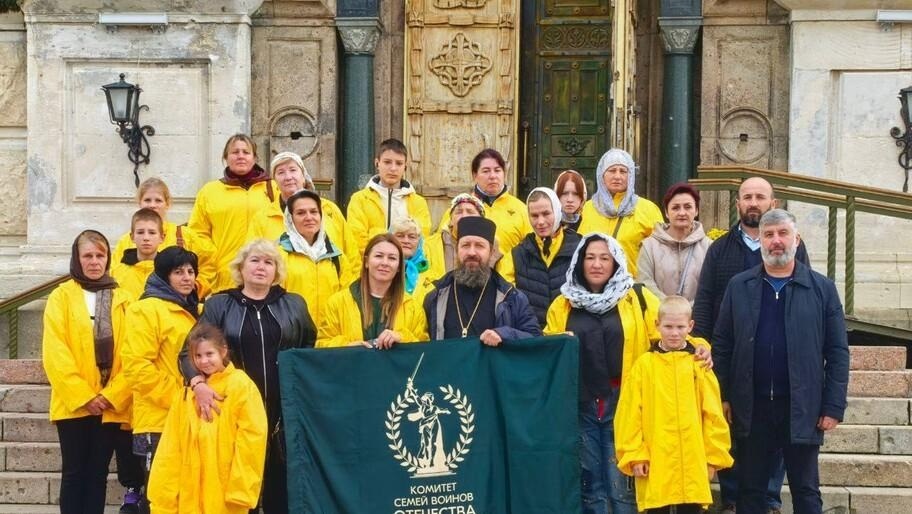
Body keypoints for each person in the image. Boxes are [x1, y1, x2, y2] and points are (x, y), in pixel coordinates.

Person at [542, 234, 713, 514]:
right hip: (581, 404)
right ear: (579, 261)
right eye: (590, 257)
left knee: (623, 487)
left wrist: (701, 347)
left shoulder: (637, 297)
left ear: (616, 262)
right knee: (590, 485)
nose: (596, 264)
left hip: (624, 402)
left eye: (604, 258)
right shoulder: (563, 304)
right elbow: (550, 348)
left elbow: (671, 331)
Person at [712, 209, 849, 514]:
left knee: (806, 490)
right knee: (749, 490)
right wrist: (723, 396)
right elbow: (722, 345)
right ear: (759, 240)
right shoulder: (739, 286)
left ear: (796, 240)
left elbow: (838, 351)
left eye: (783, 233)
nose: (776, 241)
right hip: (752, 406)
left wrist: (833, 405)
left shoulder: (821, 289)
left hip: (802, 405)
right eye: (769, 235)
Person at [692, 177, 808, 514]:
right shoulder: (720, 249)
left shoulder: (791, 245)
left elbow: (806, 296)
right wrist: (705, 344)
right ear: (738, 203)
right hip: (732, 356)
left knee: (774, 436)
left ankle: (770, 498)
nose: (753, 202)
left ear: (773, 203)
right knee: (731, 430)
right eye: (747, 197)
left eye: (760, 197)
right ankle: (732, 498)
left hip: (777, 359)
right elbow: (705, 299)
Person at [180, 238, 315, 514]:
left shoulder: (294, 305)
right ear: (241, 268)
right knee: (238, 486)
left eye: (268, 262)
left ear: (276, 271)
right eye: (254, 260)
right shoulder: (219, 305)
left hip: (282, 412)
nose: (261, 267)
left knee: (280, 487)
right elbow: (187, 352)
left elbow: (309, 349)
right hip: (231, 409)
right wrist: (197, 384)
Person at [42, 230, 142, 514]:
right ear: (77, 258)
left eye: (100, 255)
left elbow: (132, 352)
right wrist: (85, 395)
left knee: (98, 474)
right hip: (73, 404)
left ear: (108, 258)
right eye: (88, 255)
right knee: (74, 473)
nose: (95, 262)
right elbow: (56, 353)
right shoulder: (60, 297)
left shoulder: (123, 298)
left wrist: (112, 395)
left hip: (110, 404)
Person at [614, 296, 733, 514]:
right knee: (658, 507)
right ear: (657, 325)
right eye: (668, 326)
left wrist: (713, 456)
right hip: (656, 459)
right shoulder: (644, 366)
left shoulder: (699, 365)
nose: (674, 333)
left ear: (690, 326)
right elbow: (629, 415)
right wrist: (635, 454)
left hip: (692, 459)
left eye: (680, 327)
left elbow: (713, 414)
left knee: (691, 508)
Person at [148, 324, 268, 514]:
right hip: (189, 492)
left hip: (224, 489)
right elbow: (170, 448)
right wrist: (163, 497)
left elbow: (252, 440)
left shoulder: (241, 385)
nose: (204, 361)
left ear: (223, 351)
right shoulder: (185, 394)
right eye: (198, 356)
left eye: (209, 354)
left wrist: (241, 491)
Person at [122, 246, 201, 506]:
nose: (187, 277)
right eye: (178, 272)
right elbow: (137, 368)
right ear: (164, 276)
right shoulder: (146, 309)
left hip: (188, 416)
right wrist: (179, 398)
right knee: (159, 497)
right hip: (157, 421)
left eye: (191, 271)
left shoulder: (191, 309)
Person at [424, 217, 540, 343]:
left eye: (479, 246)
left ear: (491, 252)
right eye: (465, 245)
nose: (472, 252)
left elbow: (535, 339)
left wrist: (504, 334)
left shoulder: (512, 298)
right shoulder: (435, 296)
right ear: (457, 250)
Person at [188, 134, 276, 294]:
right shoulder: (209, 192)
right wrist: (214, 260)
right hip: (225, 277)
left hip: (265, 278)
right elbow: (197, 234)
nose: (241, 156)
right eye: (235, 152)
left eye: (246, 152)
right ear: (226, 158)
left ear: (254, 158)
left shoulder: (273, 189)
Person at [317, 234, 428, 348]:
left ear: (399, 266)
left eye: (392, 258)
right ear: (366, 261)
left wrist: (402, 338)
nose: (384, 263)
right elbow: (321, 346)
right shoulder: (337, 303)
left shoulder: (413, 308)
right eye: (379, 256)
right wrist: (347, 347)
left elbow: (424, 350)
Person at [113, 177, 217, 297]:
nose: (152, 205)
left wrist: (194, 289)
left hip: (174, 308)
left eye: (158, 200)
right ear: (139, 203)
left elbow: (209, 264)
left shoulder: (184, 235)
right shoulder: (126, 241)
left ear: (167, 204)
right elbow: (114, 274)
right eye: (147, 200)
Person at [248, 151, 358, 259]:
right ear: (275, 181)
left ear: (303, 176)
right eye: (281, 172)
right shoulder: (262, 218)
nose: (288, 177)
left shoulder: (329, 210)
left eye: (293, 170)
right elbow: (251, 259)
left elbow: (351, 254)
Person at [577, 149, 663, 278]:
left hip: (632, 288)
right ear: (602, 175)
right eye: (612, 171)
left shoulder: (648, 209)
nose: (617, 176)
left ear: (631, 175)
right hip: (594, 288)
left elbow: (661, 255)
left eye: (623, 171)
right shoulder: (588, 208)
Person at [278, 189, 357, 322]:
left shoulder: (336, 256)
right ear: (290, 219)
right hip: (294, 335)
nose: (309, 217)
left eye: (314, 212)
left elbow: (347, 300)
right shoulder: (278, 255)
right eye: (301, 213)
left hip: (329, 335)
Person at [436, 149, 532, 257]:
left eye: (497, 170)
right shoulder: (459, 210)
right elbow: (441, 247)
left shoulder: (521, 209)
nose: (492, 176)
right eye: (486, 171)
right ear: (474, 175)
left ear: (504, 174)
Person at [347, 138, 432, 255]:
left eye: (399, 163)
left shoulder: (418, 202)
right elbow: (357, 239)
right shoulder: (359, 199)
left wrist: (376, 233)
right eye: (387, 162)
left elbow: (421, 239)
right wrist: (399, 236)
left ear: (405, 166)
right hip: (372, 266)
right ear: (377, 163)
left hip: (408, 268)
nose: (393, 168)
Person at [509, 187, 580, 325]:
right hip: (531, 336)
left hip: (569, 334)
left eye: (546, 213)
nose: (540, 222)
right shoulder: (516, 255)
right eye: (534, 216)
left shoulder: (580, 248)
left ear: (557, 212)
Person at [636, 182, 711, 302]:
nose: (682, 213)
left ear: (696, 210)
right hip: (658, 315)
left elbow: (711, 286)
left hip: (697, 316)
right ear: (666, 212)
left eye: (688, 207)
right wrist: (669, 307)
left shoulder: (709, 247)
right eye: (675, 208)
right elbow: (645, 282)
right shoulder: (649, 246)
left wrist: (689, 309)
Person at [425, 193, 510, 283]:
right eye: (459, 212)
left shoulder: (494, 248)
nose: (464, 216)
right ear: (450, 220)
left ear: (481, 219)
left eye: (470, 211)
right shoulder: (429, 245)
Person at [111, 208, 165, 301]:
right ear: (132, 237)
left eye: (152, 233)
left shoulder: (168, 273)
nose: (146, 238)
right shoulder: (116, 273)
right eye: (140, 232)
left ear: (161, 237)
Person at [390, 217, 434, 303]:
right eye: (400, 236)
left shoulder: (430, 276)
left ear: (419, 243)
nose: (406, 241)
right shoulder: (382, 269)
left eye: (412, 237)